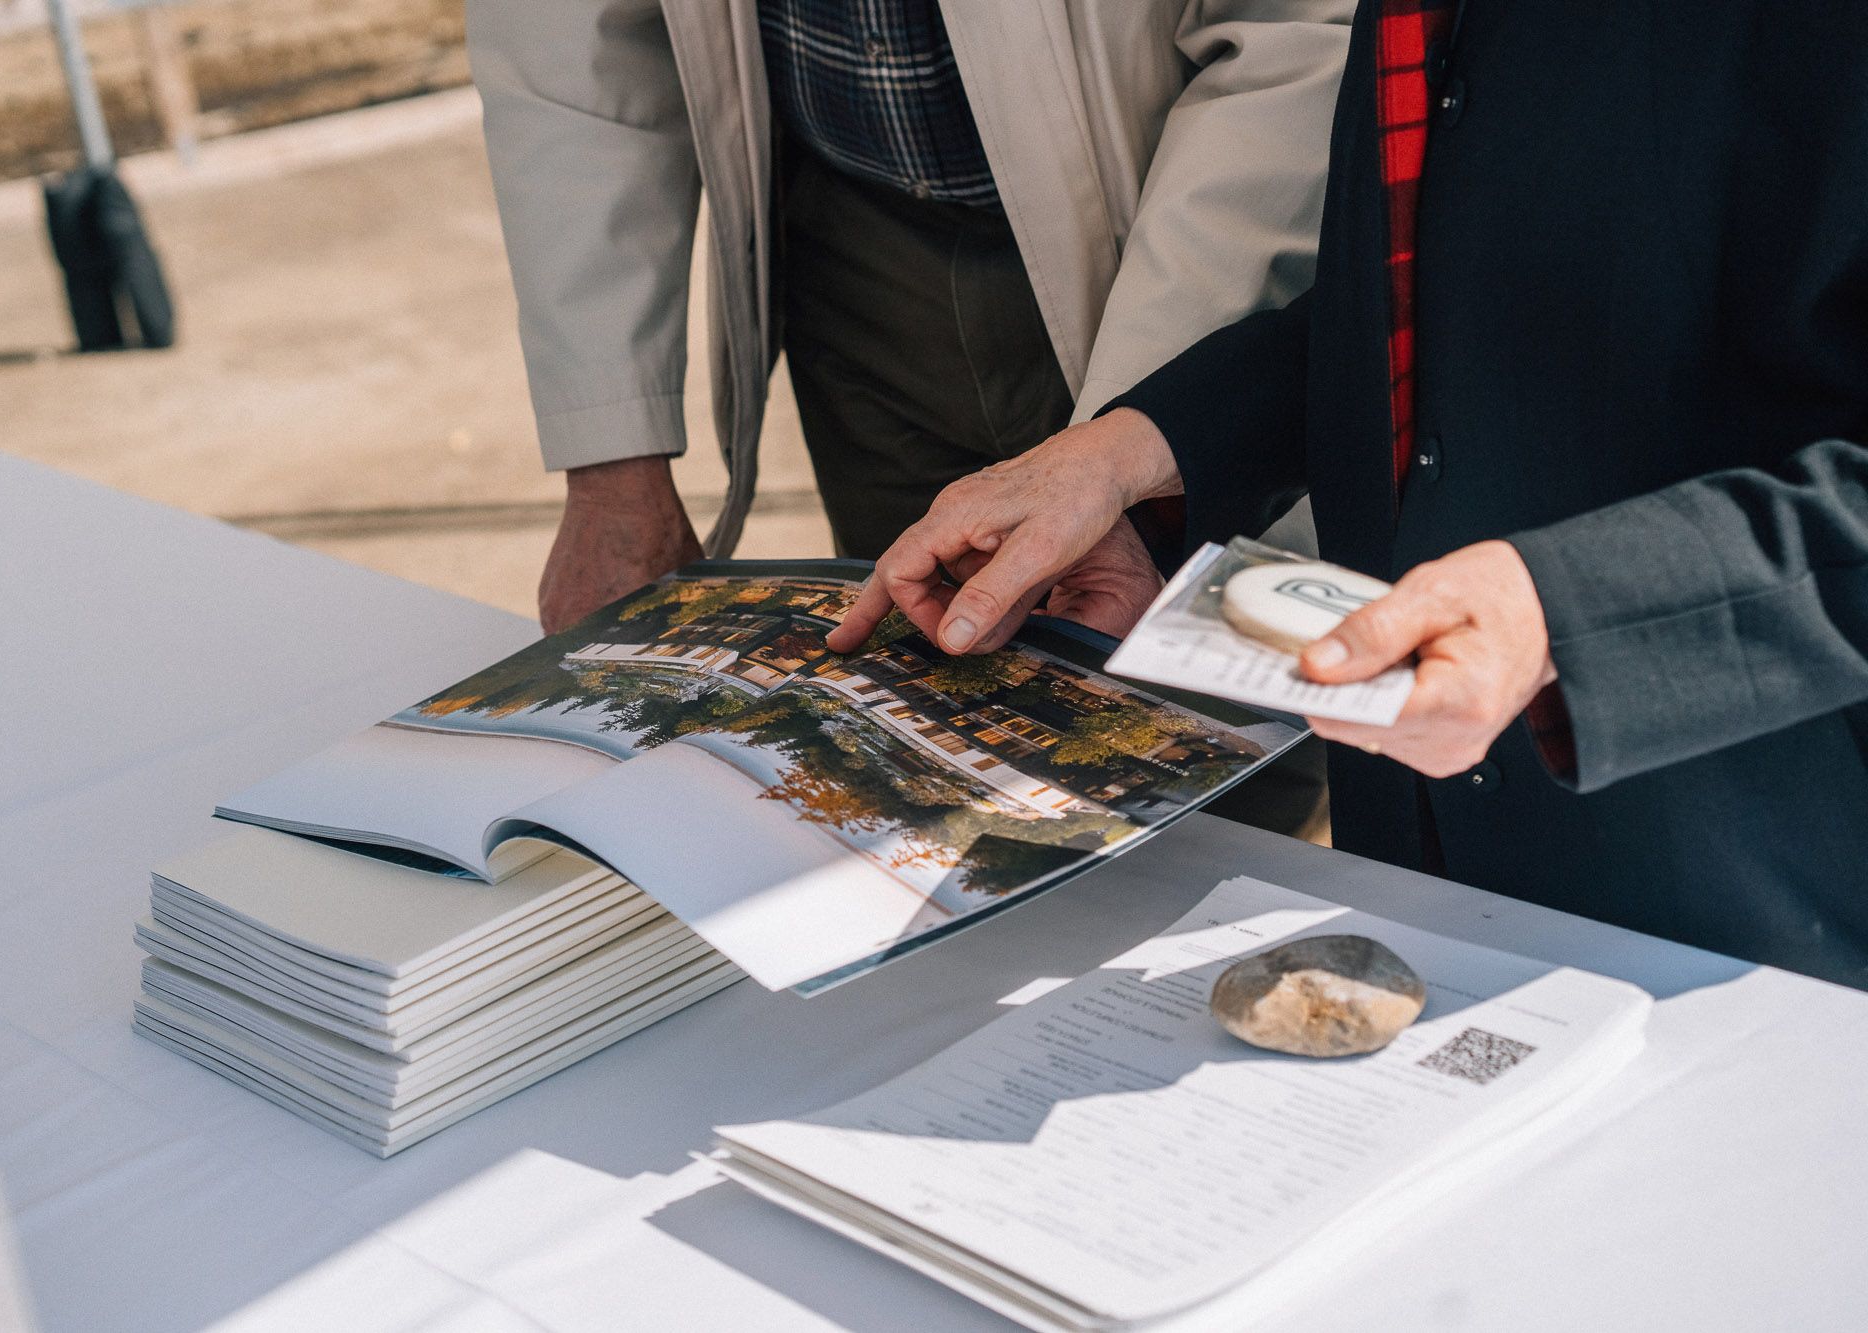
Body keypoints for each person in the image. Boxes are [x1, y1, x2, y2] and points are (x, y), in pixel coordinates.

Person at [828, 0, 1868, 984]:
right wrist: (1140, 449)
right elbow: (1443, 287)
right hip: (1410, 847)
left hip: (1740, 887)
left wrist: (1570, 617)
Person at [464, 0, 1353, 631]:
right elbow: (564, 47)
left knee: (1215, 731)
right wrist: (612, 459)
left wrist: (1138, 451)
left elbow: (1297, 37)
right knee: (925, 723)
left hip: (1186, 235)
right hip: (853, 260)